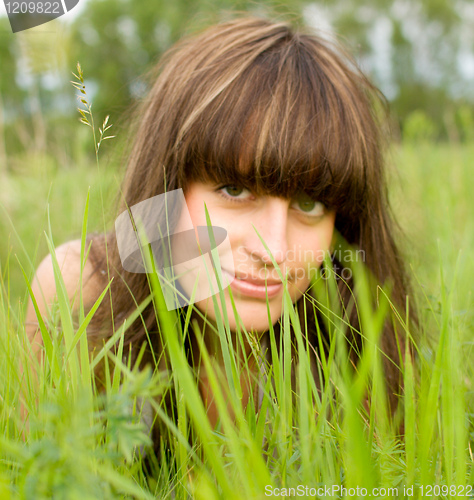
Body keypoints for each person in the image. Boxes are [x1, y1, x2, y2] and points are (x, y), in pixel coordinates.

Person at [25, 16, 415, 442]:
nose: (274, 250)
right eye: (235, 189)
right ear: (167, 186)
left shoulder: (362, 344)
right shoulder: (81, 291)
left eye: (309, 204)